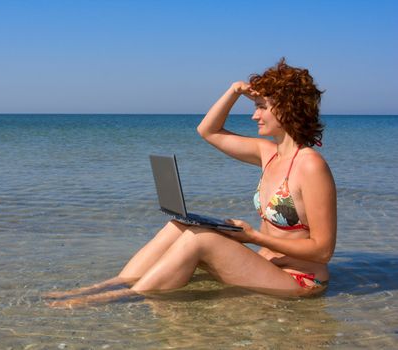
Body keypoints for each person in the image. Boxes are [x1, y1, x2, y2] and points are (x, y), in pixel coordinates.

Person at [44, 58, 337, 307]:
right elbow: (207, 130)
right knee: (182, 225)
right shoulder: (268, 153)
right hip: (266, 266)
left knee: (203, 240)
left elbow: (323, 250)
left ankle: (121, 298)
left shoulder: (310, 166)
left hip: (299, 281)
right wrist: (235, 90)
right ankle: (106, 286)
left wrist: (253, 237)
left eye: (262, 106)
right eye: (255, 105)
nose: (254, 114)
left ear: (286, 108)